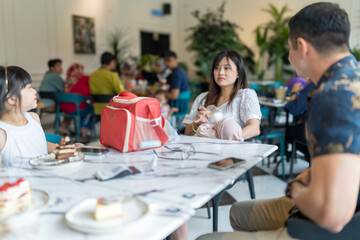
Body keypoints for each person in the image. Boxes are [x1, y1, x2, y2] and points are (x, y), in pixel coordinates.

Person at [197, 2, 360, 239]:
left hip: (322, 227)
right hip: (335, 204)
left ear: (302, 47)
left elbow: (332, 216)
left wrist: (293, 187)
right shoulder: (350, 76)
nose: (289, 56)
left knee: (204, 238)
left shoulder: (333, 96)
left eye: (289, 49)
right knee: (237, 213)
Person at [183, 50, 261, 141]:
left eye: (227, 68)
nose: (220, 72)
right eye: (217, 68)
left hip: (232, 153)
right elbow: (186, 133)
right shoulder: (202, 98)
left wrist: (227, 138)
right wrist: (197, 123)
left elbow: (254, 129)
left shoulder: (245, 95)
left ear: (238, 73)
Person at [0, 66, 56, 166]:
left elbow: (40, 145)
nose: (34, 91)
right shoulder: (2, 134)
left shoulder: (34, 118)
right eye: (29, 87)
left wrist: (68, 149)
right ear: (12, 98)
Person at [59, 63, 93, 142]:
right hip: (76, 108)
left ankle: (63, 126)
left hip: (64, 108)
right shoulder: (85, 78)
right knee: (90, 108)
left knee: (80, 106)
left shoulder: (68, 79)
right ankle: (83, 129)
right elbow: (88, 92)